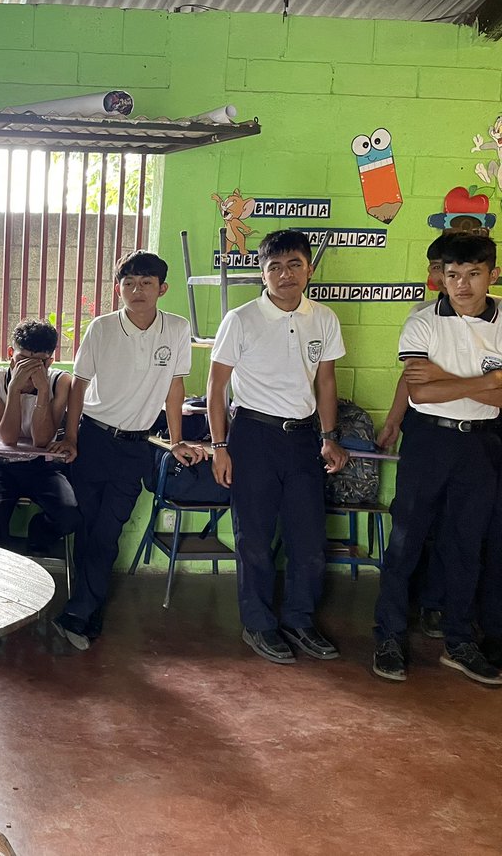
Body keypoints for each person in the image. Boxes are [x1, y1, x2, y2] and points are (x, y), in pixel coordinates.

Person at [49, 253, 204, 651]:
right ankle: (86, 610)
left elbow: (174, 389)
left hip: (136, 447)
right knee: (87, 529)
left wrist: (176, 439)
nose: (137, 291)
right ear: (119, 288)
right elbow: (78, 387)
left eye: (147, 283)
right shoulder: (100, 329)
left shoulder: (176, 329)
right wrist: (71, 439)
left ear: (162, 289)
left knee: (108, 530)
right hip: (94, 439)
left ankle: (78, 614)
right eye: (129, 283)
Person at [206, 229, 348, 665]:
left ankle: (300, 620)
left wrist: (329, 437)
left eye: (294, 265)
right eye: (274, 267)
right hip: (253, 436)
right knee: (253, 538)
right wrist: (219, 445)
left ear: (309, 268)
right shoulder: (242, 319)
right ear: (262, 272)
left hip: (303, 438)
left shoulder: (323, 318)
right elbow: (215, 385)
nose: (285, 275)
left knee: (308, 539)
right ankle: (259, 624)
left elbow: (325, 381)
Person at [371, 232, 502, 686]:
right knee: (406, 540)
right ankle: (389, 637)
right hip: (428, 440)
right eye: (452, 275)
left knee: (467, 545)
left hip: (481, 443)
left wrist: (452, 380)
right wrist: (489, 382)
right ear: (440, 278)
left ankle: (459, 641)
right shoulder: (423, 320)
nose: (462, 285)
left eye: (473, 274)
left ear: (492, 274)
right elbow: (421, 391)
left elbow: (440, 384)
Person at [376, 239, 451, 639]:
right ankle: (395, 615)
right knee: (409, 523)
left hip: (473, 432)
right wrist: (393, 419)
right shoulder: (420, 314)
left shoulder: (493, 315)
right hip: (423, 428)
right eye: (437, 267)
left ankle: (436, 605)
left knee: (453, 527)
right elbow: (412, 377)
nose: (442, 276)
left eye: (450, 268)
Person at [0, 319, 79, 557]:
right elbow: (8, 437)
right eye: (22, 361)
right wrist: (14, 390)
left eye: (39, 363)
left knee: (69, 514)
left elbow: (41, 440)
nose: (30, 369)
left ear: (50, 361)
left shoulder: (60, 382)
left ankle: (38, 535)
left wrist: (42, 392)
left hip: (42, 466)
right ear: (11, 354)